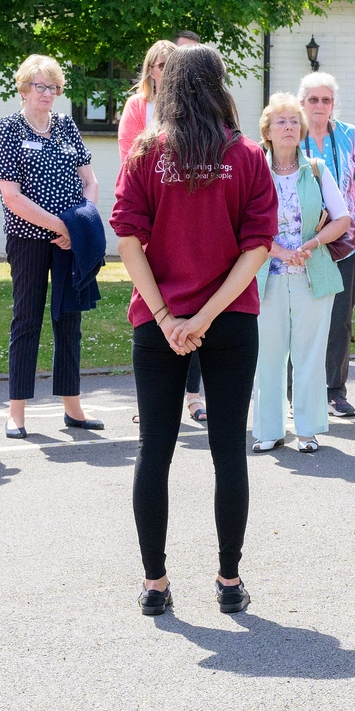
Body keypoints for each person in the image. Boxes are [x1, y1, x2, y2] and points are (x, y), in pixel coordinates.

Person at [111, 45, 276, 617]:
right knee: (228, 448)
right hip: (230, 318)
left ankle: (155, 584)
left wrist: (166, 317)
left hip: (160, 319)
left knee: (153, 449)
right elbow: (258, 246)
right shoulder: (247, 155)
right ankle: (229, 580)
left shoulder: (145, 154)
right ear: (218, 85)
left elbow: (128, 239)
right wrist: (205, 317)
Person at [0, 54, 105, 438]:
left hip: (68, 241)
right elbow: (11, 196)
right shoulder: (9, 129)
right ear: (23, 89)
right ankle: (17, 413)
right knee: (27, 320)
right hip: (28, 239)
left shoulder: (66, 127)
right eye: (39, 86)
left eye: (53, 86)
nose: (46, 93)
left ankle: (72, 408)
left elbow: (89, 181)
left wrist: (82, 222)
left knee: (69, 321)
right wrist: (63, 226)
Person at [250, 94, 352, 454]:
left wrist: (312, 243)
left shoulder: (317, 169)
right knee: (268, 356)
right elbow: (241, 226)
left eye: (294, 120)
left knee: (309, 356)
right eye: (281, 121)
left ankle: (307, 431)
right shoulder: (254, 171)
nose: (289, 126)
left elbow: (343, 219)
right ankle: (268, 430)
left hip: (313, 276)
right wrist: (279, 251)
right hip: (266, 277)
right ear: (267, 131)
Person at [119, 37, 209, 423]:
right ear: (147, 70)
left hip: (184, 213)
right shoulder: (138, 106)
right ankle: (154, 400)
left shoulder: (194, 109)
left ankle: (192, 394)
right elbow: (130, 156)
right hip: (152, 213)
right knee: (156, 307)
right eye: (155, 64)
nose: (161, 70)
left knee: (197, 305)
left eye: (168, 63)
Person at [298, 72, 355, 418]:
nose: (319, 106)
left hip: (345, 240)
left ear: (333, 104)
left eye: (326, 100)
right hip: (301, 241)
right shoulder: (289, 133)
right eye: (313, 99)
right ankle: (296, 389)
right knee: (298, 314)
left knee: (340, 317)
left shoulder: (350, 135)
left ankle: (335, 390)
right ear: (302, 103)